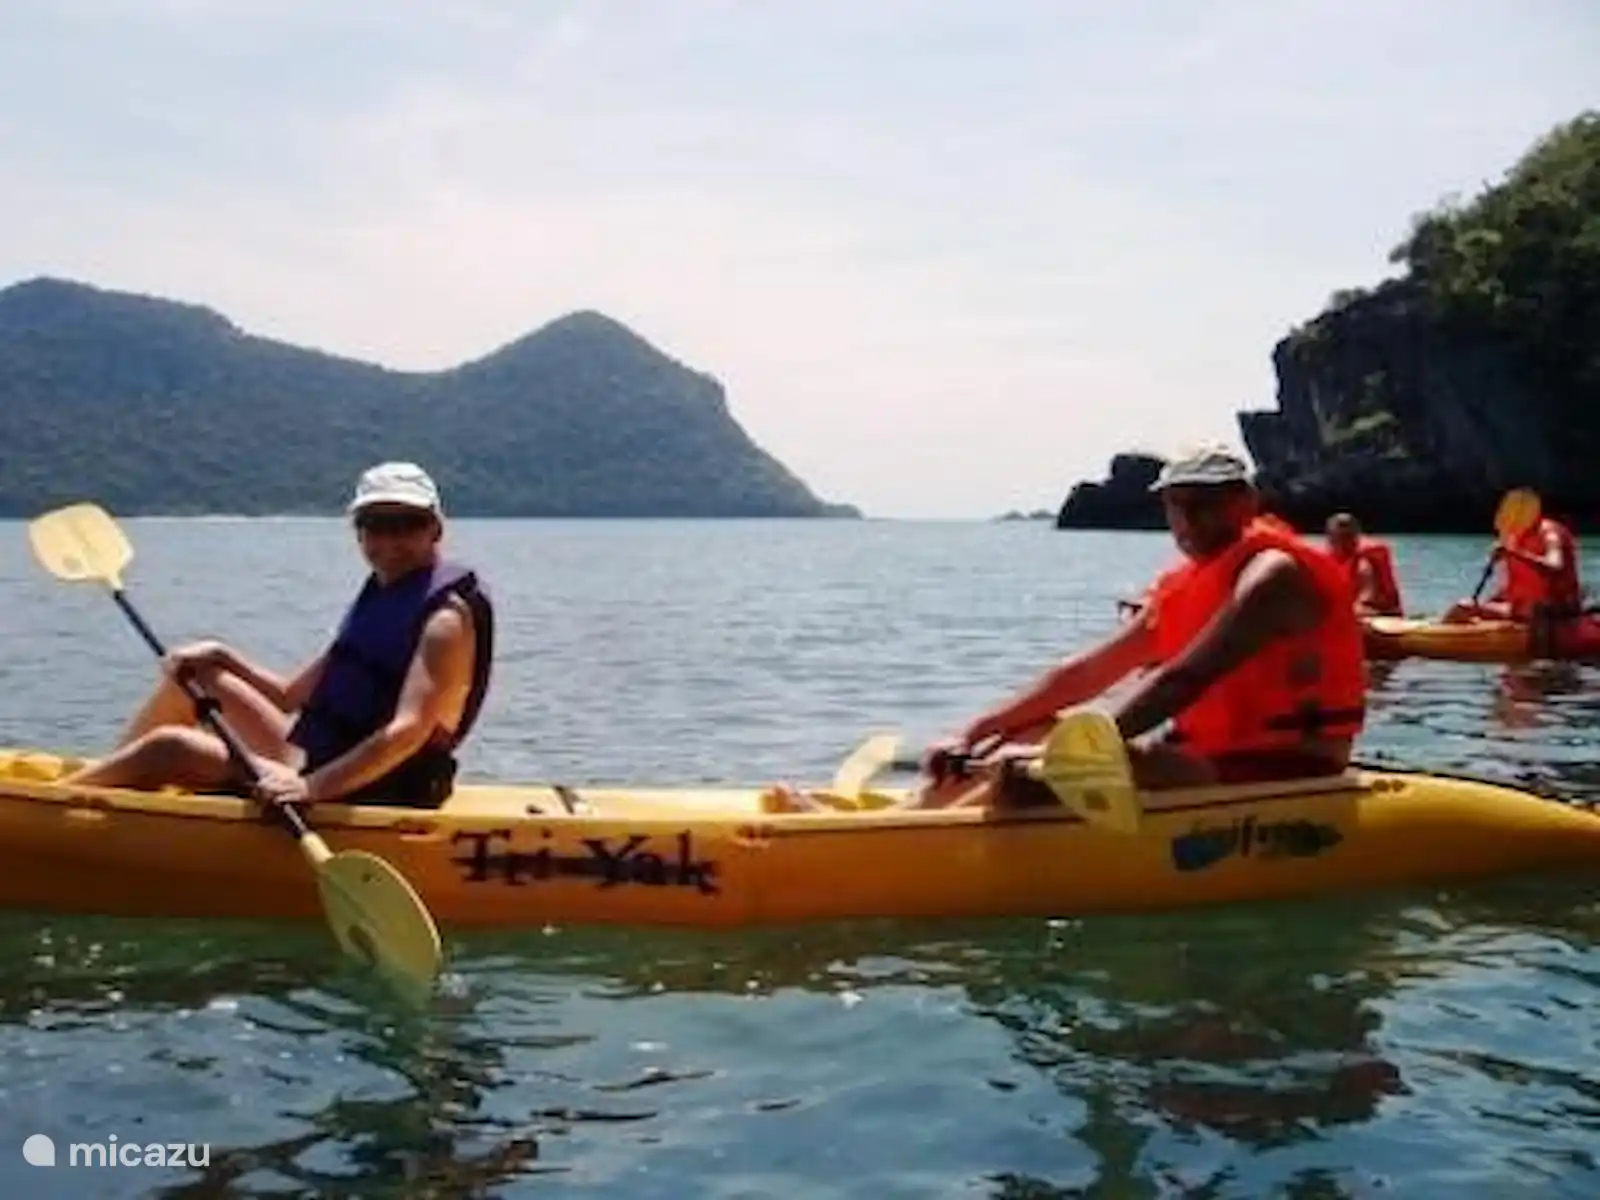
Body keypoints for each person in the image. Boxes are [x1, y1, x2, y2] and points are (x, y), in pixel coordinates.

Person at [766, 446, 1367, 812]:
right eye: (1175, 504)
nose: (1186, 519)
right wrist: (979, 730)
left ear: (1245, 502)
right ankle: (902, 819)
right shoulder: (1189, 584)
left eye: (1203, 503)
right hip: (1202, 757)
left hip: (1285, 766)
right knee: (1021, 737)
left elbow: (1184, 679)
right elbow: (1087, 673)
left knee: (1035, 769)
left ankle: (905, 844)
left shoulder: (1274, 575)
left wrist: (1078, 751)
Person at [66, 462, 494, 809]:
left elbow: (409, 730)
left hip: (381, 788)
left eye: (408, 523)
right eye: (376, 524)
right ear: (359, 531)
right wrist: (222, 655)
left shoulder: (444, 621)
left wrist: (311, 788)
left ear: (436, 528)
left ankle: (63, 801)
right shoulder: (382, 598)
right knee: (197, 679)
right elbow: (291, 697)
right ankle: (105, 786)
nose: (391, 540)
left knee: (170, 748)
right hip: (323, 762)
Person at [1440, 507, 1583, 636]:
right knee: (1462, 608)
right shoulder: (1517, 538)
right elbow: (1519, 585)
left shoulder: (1550, 534)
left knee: (1464, 608)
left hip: (1552, 612)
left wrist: (1514, 552)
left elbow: (1555, 566)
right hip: (1522, 609)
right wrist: (1488, 604)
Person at [1324, 513, 1404, 617]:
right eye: (1339, 537)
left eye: (1348, 536)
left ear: (1356, 537)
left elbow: (1367, 588)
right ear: (1329, 538)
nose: (1343, 543)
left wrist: (1361, 603)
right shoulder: (1324, 561)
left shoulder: (1364, 561)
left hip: (1379, 614)